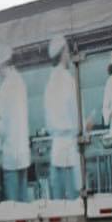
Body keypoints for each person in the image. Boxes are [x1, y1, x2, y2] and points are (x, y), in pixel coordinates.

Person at [43, 36, 81, 200]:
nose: (69, 54)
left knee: (58, 203)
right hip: (68, 154)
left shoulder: (50, 83)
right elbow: (76, 118)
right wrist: (83, 126)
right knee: (73, 203)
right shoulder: (68, 80)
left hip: (56, 152)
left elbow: (48, 122)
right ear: (63, 53)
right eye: (67, 51)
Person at [0, 45, 31, 202]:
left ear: (3, 65)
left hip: (10, 156)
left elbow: (4, 129)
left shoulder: (5, 88)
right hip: (22, 155)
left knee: (13, 208)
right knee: (24, 203)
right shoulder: (20, 82)